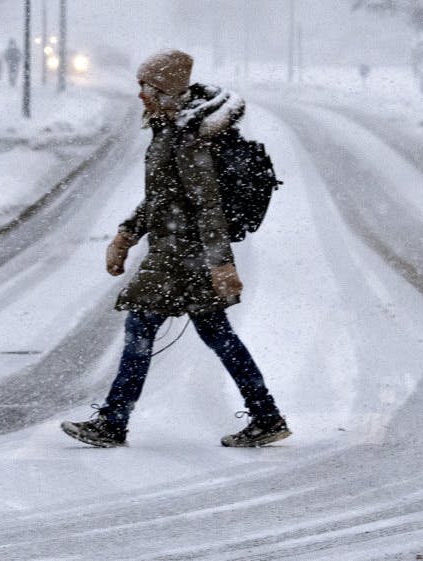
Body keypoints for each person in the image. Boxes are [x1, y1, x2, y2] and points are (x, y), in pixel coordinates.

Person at [61, 50, 290, 448]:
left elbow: (207, 205)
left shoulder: (187, 140)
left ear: (165, 91)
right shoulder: (171, 130)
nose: (140, 96)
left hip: (183, 255)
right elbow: (162, 198)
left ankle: (114, 421)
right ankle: (266, 414)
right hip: (178, 250)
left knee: (141, 329)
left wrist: (221, 264)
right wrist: (126, 235)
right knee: (216, 334)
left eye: (145, 88)